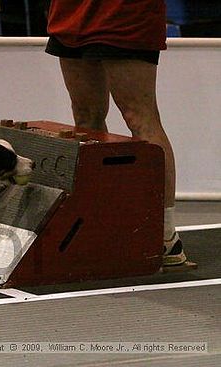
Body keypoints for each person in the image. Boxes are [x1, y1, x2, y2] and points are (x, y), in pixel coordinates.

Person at [45, 0, 186, 266]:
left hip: (124, 12)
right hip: (71, 12)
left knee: (139, 117)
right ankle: (97, 221)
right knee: (85, 118)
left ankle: (164, 235)